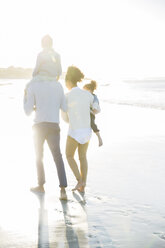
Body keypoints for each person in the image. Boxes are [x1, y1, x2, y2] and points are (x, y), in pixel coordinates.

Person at [23, 35, 67, 200]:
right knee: (58, 157)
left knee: (39, 156)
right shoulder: (58, 86)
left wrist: (26, 96)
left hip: (39, 125)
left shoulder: (33, 85)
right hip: (54, 124)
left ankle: (41, 185)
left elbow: (27, 112)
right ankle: (63, 190)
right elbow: (64, 107)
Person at [61, 66, 100, 193]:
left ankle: (79, 180)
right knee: (83, 158)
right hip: (87, 132)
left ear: (68, 81)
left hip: (74, 132)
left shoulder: (66, 96)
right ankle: (84, 185)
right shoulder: (88, 95)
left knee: (69, 156)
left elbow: (65, 119)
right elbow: (96, 110)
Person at [83, 80, 103, 146]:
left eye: (85, 90)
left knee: (92, 123)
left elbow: (95, 105)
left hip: (91, 114)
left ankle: (99, 138)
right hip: (86, 113)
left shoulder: (94, 97)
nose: (84, 92)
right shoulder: (86, 96)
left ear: (90, 90)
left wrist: (93, 109)